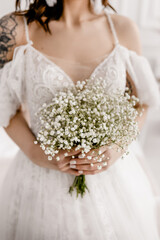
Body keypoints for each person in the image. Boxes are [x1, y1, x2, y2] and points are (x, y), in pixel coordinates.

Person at [0, 0, 160, 239]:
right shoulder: (15, 29)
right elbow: (5, 107)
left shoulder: (123, 30)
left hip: (112, 179)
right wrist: (38, 154)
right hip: (39, 181)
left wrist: (116, 148)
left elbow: (139, 102)